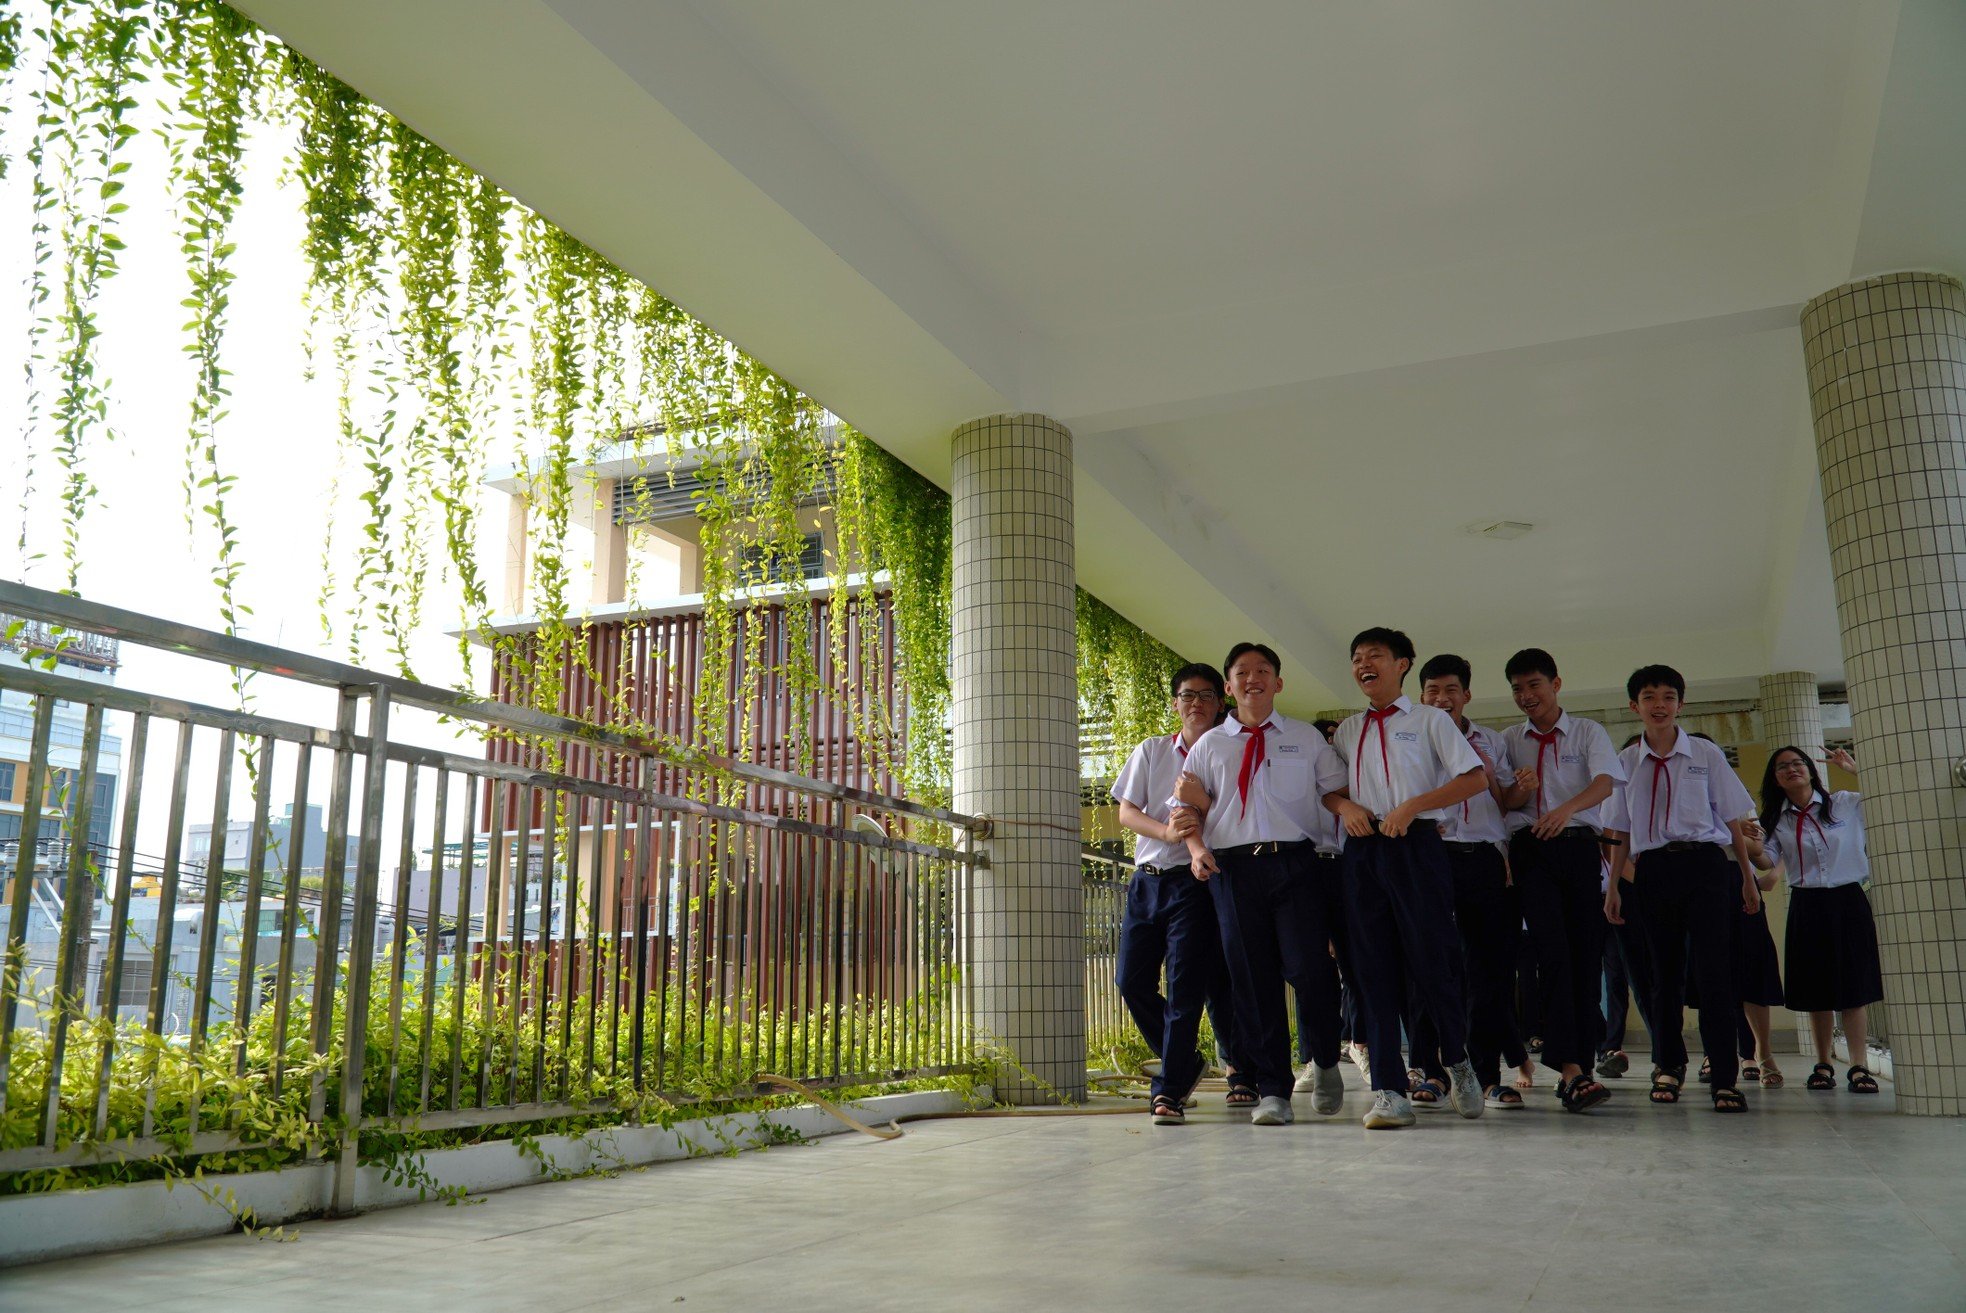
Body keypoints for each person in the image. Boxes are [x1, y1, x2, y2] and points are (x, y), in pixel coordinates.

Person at [1175, 643, 1350, 1126]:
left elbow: (1334, 792)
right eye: (1242, 672)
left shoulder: (1305, 738)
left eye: (1263, 671)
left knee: (1311, 970)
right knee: (1252, 980)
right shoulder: (1209, 745)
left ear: (1278, 682)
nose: (1253, 678)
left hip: (1296, 864)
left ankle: (1325, 1057)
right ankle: (1273, 1088)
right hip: (1233, 872)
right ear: (1228, 686)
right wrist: (1195, 851)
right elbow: (1186, 810)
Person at [1326, 628, 1489, 1128]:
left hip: (1415, 845)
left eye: (1375, 655)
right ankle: (1389, 1091)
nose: (1363, 664)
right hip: (1363, 851)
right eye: (1356, 658)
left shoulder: (1430, 720)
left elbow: (1474, 778)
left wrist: (1414, 806)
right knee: (1369, 969)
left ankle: (1457, 1063)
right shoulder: (1348, 730)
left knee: (1432, 960)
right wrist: (1346, 805)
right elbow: (1328, 789)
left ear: (1402, 664)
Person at [1603, 664, 1760, 1113]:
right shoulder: (1626, 763)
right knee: (1661, 975)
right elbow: (1619, 830)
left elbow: (1731, 819)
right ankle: (1668, 1065)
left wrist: (1747, 878)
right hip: (1653, 871)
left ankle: (1725, 1077)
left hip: (1707, 868)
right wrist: (1613, 887)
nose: (1659, 705)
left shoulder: (1706, 755)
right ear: (1635, 706)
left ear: (1680, 704)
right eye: (1649, 697)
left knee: (1715, 973)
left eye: (1668, 697)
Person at [1110, 663, 1239, 1124]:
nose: (1197, 703)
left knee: (1186, 990)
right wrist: (1165, 834)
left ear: (1220, 702)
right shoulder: (1152, 751)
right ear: (1175, 703)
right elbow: (1127, 812)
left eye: (1206, 695)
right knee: (1130, 981)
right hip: (1146, 880)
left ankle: (1168, 1092)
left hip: (1196, 883)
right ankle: (1184, 1062)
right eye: (1187, 695)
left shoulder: (1229, 752)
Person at [1499, 649, 1623, 1112]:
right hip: (1532, 850)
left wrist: (1565, 809)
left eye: (1534, 685)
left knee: (1585, 954)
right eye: (1517, 689)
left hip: (1577, 846)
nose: (1526, 696)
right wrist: (1521, 791)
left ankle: (1581, 1067)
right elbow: (1506, 802)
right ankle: (1570, 1069)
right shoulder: (1510, 739)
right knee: (1551, 953)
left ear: (1556, 684)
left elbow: (1606, 782)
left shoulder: (1588, 730)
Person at [1411, 653, 1527, 1110]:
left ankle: (1485, 1074)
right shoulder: (1410, 740)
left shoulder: (1490, 740)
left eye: (1451, 690)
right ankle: (1433, 1072)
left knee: (1490, 972)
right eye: (1433, 691)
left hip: (1483, 860)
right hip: (1431, 858)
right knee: (1430, 966)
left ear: (1467, 695)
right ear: (1421, 696)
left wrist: (1524, 788)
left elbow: (1506, 802)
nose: (1442, 699)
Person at [1747, 745, 1883, 1095]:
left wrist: (1855, 768)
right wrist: (1748, 844)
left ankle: (1858, 1065)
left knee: (1853, 988)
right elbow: (1765, 862)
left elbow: (1887, 793)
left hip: (1848, 898)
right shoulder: (1776, 819)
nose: (1792, 770)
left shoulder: (1845, 803)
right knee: (1815, 988)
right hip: (1807, 902)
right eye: (1782, 767)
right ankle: (1823, 1062)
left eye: (1798, 763)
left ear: (1810, 770)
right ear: (1774, 778)